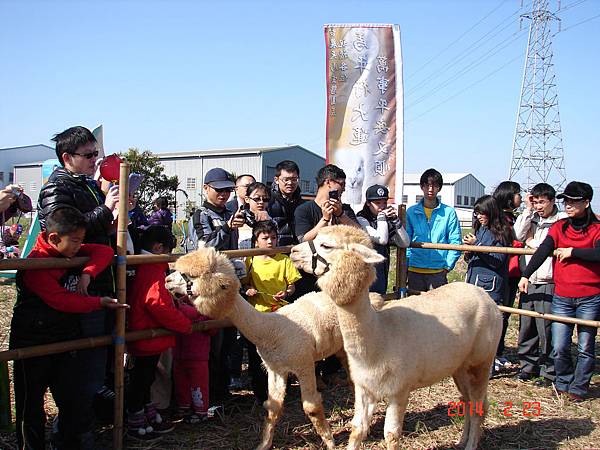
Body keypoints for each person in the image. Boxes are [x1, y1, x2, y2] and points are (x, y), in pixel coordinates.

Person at [9, 207, 127, 450]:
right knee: (31, 404)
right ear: (54, 238)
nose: (79, 246)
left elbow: (104, 251)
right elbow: (62, 300)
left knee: (72, 398)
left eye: (81, 240)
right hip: (33, 340)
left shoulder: (67, 252)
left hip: (65, 338)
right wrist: (97, 302)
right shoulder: (36, 264)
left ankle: (67, 443)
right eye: (75, 241)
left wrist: (87, 274)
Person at [37, 125, 120, 436]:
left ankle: (86, 431)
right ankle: (71, 436)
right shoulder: (55, 188)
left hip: (99, 280)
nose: (94, 160)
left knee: (99, 365)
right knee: (84, 371)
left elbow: (93, 231)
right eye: (88, 155)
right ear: (66, 157)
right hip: (80, 287)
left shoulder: (85, 184)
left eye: (95, 153)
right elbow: (63, 231)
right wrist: (105, 209)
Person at [518, 181, 600, 402]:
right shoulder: (559, 227)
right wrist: (526, 274)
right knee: (560, 345)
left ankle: (579, 387)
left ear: (586, 202)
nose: (569, 205)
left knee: (585, 346)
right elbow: (544, 250)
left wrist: (573, 251)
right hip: (562, 295)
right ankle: (563, 382)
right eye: (567, 200)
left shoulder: (597, 229)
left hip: (590, 297)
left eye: (574, 201)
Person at [126, 225, 193, 440]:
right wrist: (183, 323)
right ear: (158, 248)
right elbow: (156, 303)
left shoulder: (147, 265)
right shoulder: (152, 268)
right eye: (168, 250)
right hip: (148, 333)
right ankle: (135, 420)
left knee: (146, 378)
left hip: (147, 332)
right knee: (142, 379)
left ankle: (147, 411)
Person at [294, 164, 358, 384]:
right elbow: (302, 239)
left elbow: (359, 233)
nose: (342, 189)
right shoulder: (304, 210)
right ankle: (311, 373)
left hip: (337, 279)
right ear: (329, 182)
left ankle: (332, 371)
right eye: (340, 183)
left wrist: (340, 214)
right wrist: (324, 219)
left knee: (336, 323)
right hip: (308, 279)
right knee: (313, 325)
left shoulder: (345, 209)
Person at [192, 167, 245, 404]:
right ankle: (209, 396)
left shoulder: (230, 213)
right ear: (206, 189)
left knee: (228, 341)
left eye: (228, 190)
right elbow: (205, 246)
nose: (224, 194)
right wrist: (227, 228)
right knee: (212, 343)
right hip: (208, 286)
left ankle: (223, 392)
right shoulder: (200, 214)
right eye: (219, 189)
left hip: (229, 284)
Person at [241, 221, 302, 401]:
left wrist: (287, 292)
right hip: (257, 314)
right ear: (256, 241)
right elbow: (244, 283)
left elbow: (292, 285)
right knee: (257, 355)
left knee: (282, 353)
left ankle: (283, 391)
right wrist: (248, 290)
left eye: (273, 238)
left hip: (280, 314)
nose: (270, 242)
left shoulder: (284, 259)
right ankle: (261, 393)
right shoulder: (249, 260)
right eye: (265, 238)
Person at [513, 183, 566, 385]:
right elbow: (517, 235)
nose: (538, 206)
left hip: (549, 279)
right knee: (526, 326)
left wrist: (532, 243)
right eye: (535, 202)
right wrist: (527, 210)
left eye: (542, 202)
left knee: (547, 327)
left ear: (552, 201)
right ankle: (527, 366)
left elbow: (553, 245)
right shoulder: (531, 217)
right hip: (529, 278)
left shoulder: (561, 221)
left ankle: (549, 370)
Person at [463, 195, 512, 377]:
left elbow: (498, 259)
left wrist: (478, 246)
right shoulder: (481, 229)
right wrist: (469, 252)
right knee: (476, 326)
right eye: (476, 213)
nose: (478, 216)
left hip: (490, 285)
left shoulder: (501, 232)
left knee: (489, 328)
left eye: (481, 212)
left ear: (491, 211)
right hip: (475, 280)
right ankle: (473, 365)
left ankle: (487, 368)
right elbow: (477, 255)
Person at [406, 168, 462, 291]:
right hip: (414, 269)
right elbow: (406, 240)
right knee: (414, 308)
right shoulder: (411, 212)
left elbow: (456, 240)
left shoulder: (449, 213)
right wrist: (407, 262)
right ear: (422, 187)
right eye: (427, 185)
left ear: (439, 188)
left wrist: (447, 265)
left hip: (438, 270)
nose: (430, 189)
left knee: (438, 309)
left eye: (435, 186)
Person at [356, 184, 409, 294]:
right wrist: (382, 217)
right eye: (377, 203)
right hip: (365, 269)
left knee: (380, 300)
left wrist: (395, 221)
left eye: (384, 202)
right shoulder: (361, 218)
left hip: (381, 269)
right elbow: (382, 239)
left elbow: (405, 243)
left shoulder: (385, 219)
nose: (382, 206)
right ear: (368, 203)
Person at [492, 180, 522, 369]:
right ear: (508, 197)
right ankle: (492, 353)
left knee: (506, 314)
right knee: (497, 314)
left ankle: (500, 350)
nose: (521, 197)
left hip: (513, 272)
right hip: (500, 271)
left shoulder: (512, 218)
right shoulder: (498, 219)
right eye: (518, 193)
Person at [268, 160, 305, 246]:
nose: (290, 183)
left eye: (294, 179)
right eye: (286, 180)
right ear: (276, 180)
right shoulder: (268, 200)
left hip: (296, 250)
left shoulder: (302, 203)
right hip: (275, 252)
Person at [238, 182, 273, 249]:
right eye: (257, 199)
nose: (261, 202)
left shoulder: (272, 221)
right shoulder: (239, 219)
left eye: (265, 199)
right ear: (247, 199)